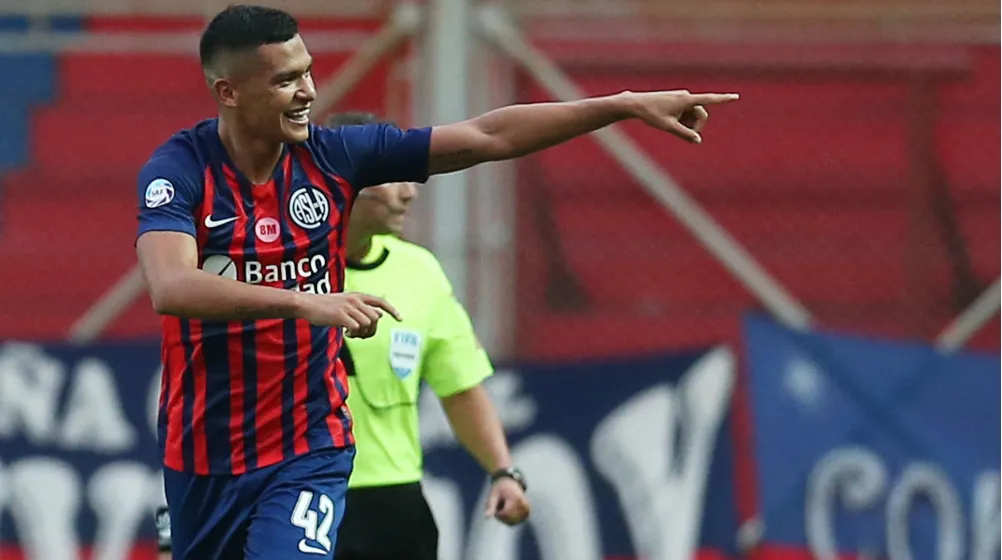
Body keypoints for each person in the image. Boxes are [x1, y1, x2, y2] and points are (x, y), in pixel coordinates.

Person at [134, 4, 737, 559]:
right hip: (202, 452)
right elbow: (171, 286)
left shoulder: (335, 157)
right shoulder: (180, 170)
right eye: (285, 80)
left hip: (308, 447)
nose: (308, 91)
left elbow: (487, 137)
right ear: (229, 91)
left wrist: (620, 106)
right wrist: (304, 302)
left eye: (308, 72)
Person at [328, 111, 529, 560]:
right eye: (394, 176)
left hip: (394, 501)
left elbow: (459, 386)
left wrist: (503, 472)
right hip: (297, 491)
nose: (410, 191)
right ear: (346, 180)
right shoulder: (278, 269)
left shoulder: (419, 271)